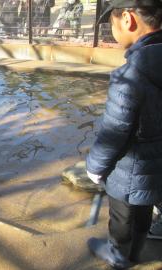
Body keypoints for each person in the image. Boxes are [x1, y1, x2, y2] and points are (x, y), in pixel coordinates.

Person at [86, 0, 162, 268]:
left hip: (131, 171)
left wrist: (95, 168)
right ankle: (140, 247)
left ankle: (119, 255)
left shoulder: (130, 74)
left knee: (123, 217)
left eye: (111, 24)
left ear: (128, 19)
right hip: (157, 165)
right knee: (145, 208)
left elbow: (114, 132)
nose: (112, 31)